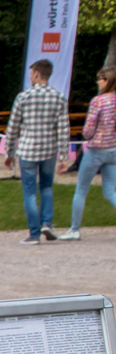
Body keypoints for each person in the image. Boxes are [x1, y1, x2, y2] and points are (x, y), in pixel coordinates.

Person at [6, 59, 71, 244]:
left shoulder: (23, 97)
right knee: (47, 187)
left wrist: (9, 152)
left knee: (29, 192)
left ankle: (34, 233)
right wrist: (64, 156)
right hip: (49, 150)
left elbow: (12, 127)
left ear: (36, 73)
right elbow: (63, 129)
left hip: (27, 150)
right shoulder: (59, 97)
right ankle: (47, 224)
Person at [63, 66, 116, 240]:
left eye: (100, 78)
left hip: (96, 150)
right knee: (110, 191)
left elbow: (87, 131)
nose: (97, 82)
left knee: (81, 189)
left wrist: (90, 134)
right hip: (114, 150)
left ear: (107, 81)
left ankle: (74, 229)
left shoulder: (98, 101)